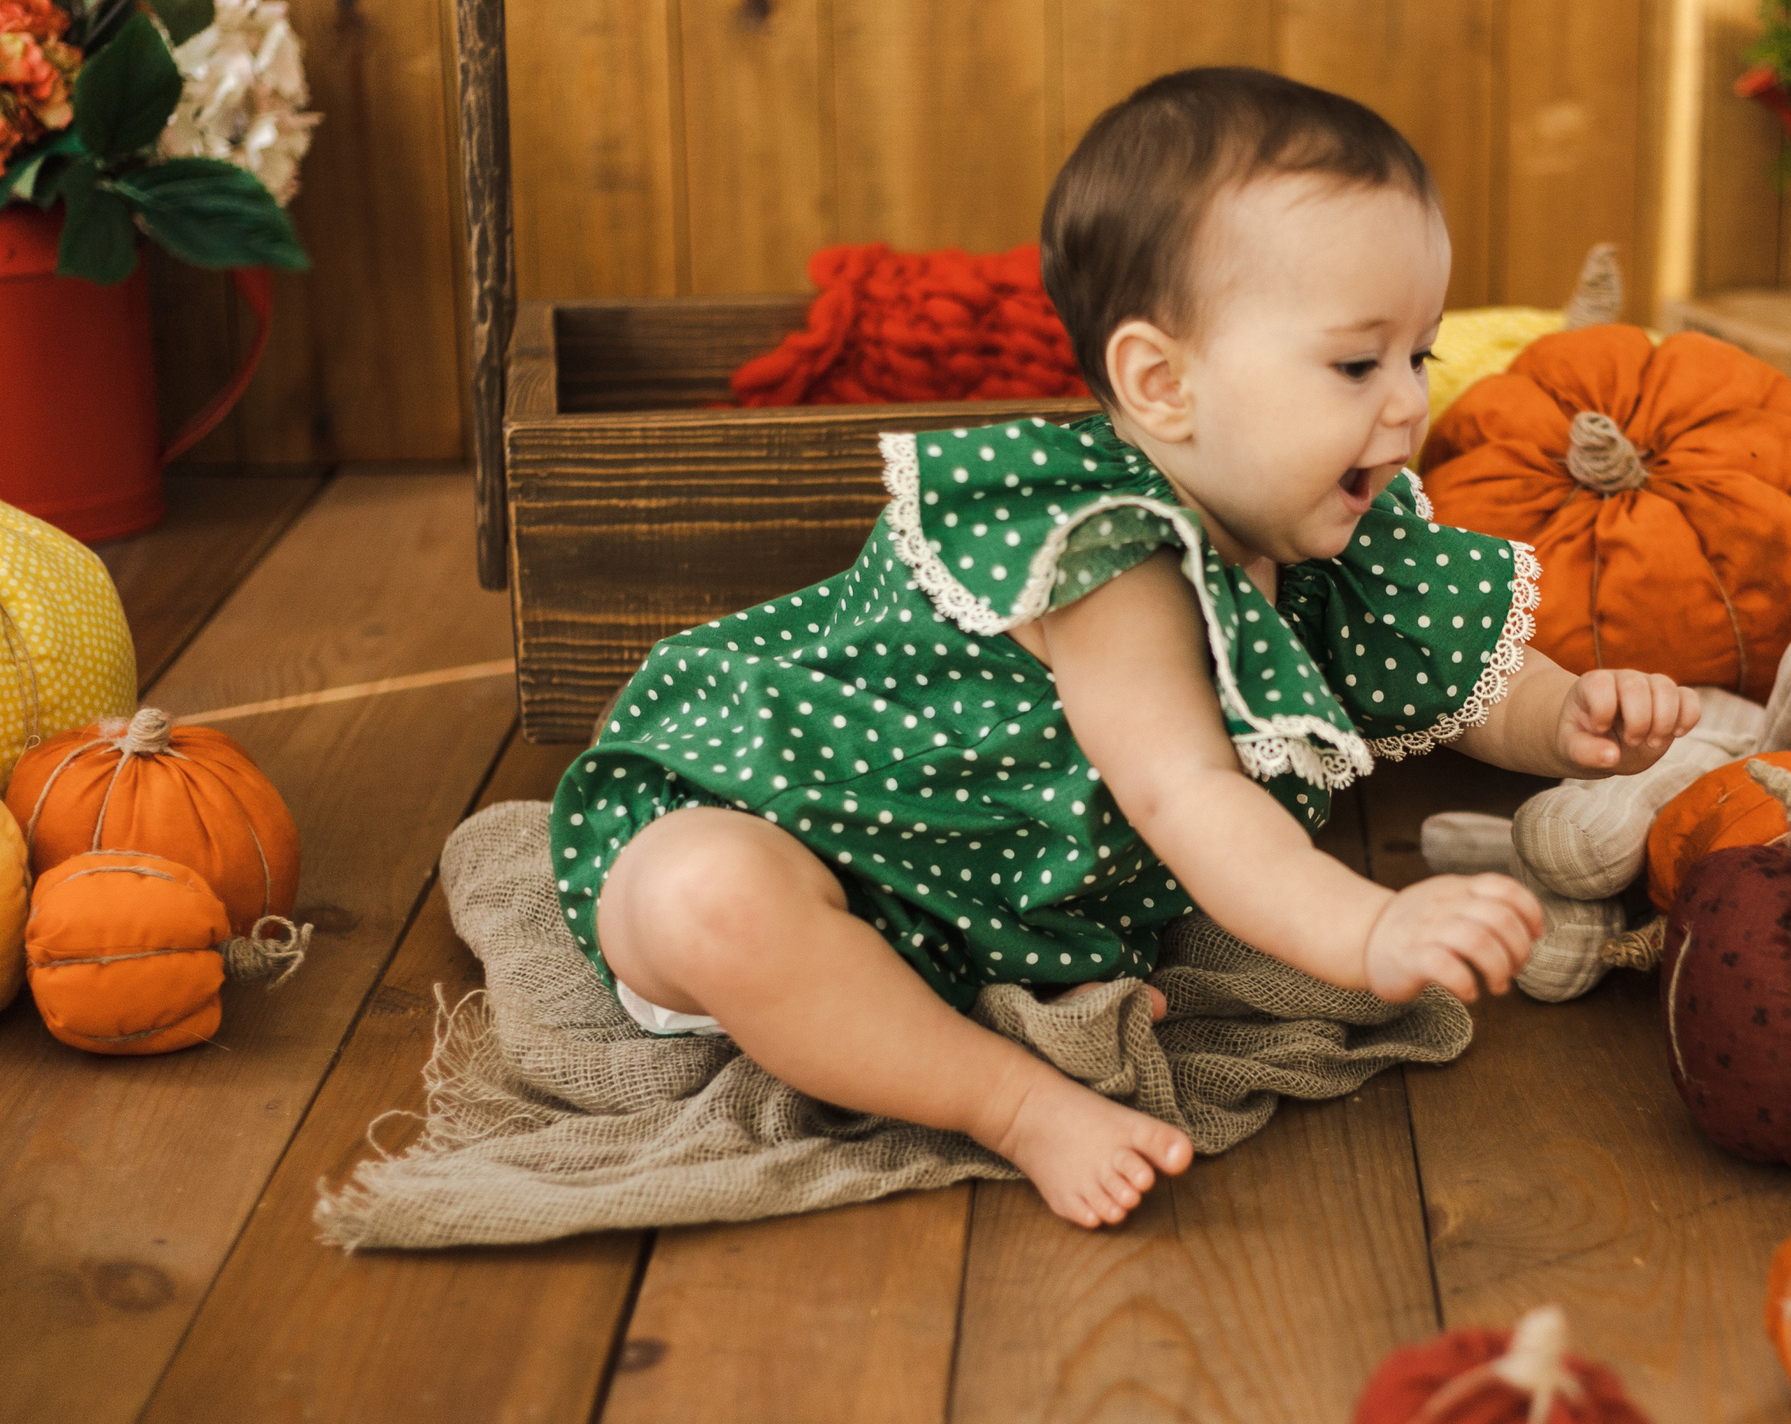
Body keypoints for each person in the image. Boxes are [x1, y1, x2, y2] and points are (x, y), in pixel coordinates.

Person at [549, 68, 1702, 1229]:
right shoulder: (1109, 557)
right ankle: (1011, 1101)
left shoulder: (1308, 525)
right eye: (1358, 364)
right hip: (813, 832)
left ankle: (966, 1006)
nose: (1407, 404)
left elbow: (1453, 674)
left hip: (985, 910)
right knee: (706, 895)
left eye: (1420, 355)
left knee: (767, 915)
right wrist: (1370, 929)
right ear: (1162, 384)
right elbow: (1187, 794)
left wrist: (1560, 717)